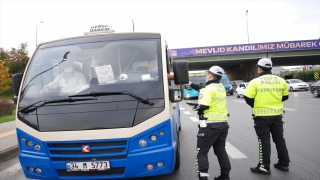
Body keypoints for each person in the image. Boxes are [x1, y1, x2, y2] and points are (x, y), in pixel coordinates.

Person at [244, 58, 290, 175]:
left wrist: (258, 105)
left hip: (262, 117)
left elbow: (248, 98)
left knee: (264, 141)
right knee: (279, 139)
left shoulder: (255, 82)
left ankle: (264, 167)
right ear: (271, 68)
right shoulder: (281, 81)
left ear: (259, 68)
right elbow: (285, 97)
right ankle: (284, 164)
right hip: (277, 115)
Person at [195, 66, 231, 180]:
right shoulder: (220, 87)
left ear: (210, 75)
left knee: (201, 152)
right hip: (223, 124)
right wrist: (190, 84)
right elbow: (203, 89)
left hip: (210, 125)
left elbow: (204, 106)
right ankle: (225, 176)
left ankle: (203, 177)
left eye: (207, 74)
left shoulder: (208, 89)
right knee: (220, 151)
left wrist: (198, 108)